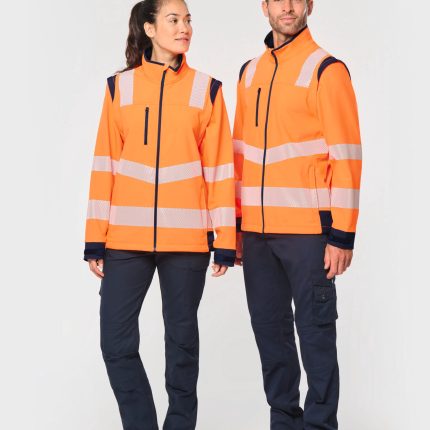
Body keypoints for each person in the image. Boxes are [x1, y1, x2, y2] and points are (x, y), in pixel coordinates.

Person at [83, 1, 236, 429]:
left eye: (188, 20)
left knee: (182, 345)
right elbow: (104, 165)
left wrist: (225, 239)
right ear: (149, 28)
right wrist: (96, 237)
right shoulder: (120, 88)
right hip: (125, 240)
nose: (184, 27)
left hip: (187, 242)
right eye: (174, 20)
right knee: (115, 342)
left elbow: (221, 170)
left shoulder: (207, 90)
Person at [234, 0, 362, 428]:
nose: (287, 7)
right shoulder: (248, 73)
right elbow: (239, 156)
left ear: (310, 4)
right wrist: (237, 227)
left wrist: (342, 234)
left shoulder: (327, 70)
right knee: (271, 342)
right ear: (264, 6)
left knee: (316, 341)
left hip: (309, 234)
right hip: (257, 235)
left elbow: (346, 156)